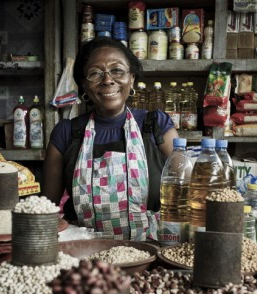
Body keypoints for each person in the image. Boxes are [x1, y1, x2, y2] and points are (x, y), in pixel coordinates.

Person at [43, 37, 178, 241]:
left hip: (149, 250)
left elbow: (187, 188)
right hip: (83, 252)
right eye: (95, 73)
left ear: (131, 78)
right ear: (84, 85)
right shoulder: (66, 133)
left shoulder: (156, 125)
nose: (107, 80)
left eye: (117, 70)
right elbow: (45, 211)